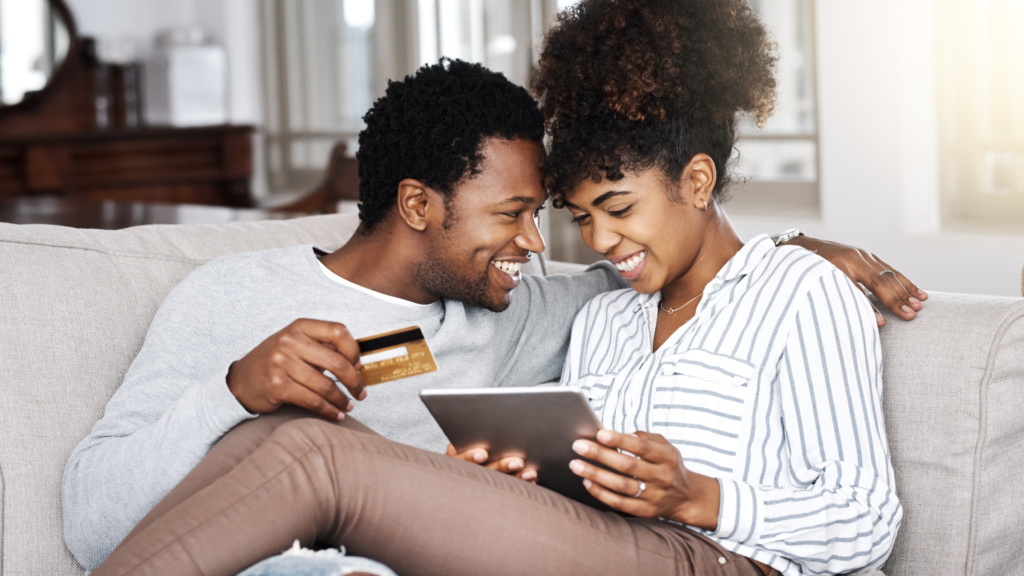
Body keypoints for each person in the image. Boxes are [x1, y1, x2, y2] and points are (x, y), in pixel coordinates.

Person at [83, 29, 910, 574]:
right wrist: (507, 479)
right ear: (417, 207)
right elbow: (92, 524)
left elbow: (868, 522)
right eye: (567, 217)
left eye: (610, 212)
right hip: (585, 548)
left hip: (717, 559)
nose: (568, 245)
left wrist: (799, 253)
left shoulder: (795, 295)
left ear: (697, 181)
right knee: (281, 434)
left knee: (313, 454)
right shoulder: (602, 314)